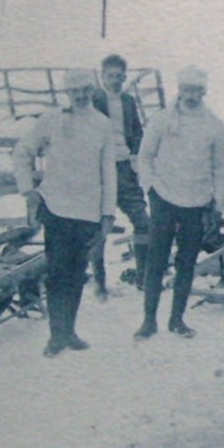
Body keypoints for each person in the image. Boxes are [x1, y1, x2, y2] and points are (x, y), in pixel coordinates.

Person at [14, 69, 117, 357]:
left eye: (86, 90)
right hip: (56, 209)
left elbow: (109, 171)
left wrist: (108, 213)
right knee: (57, 273)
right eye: (75, 91)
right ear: (67, 93)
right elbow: (22, 152)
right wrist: (28, 191)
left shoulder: (103, 124)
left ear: (92, 91)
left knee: (76, 273)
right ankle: (56, 335)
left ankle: (69, 331)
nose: (81, 96)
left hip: (88, 213)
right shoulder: (51, 118)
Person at [136, 66, 224, 340]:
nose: (192, 95)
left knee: (186, 263)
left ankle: (177, 319)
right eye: (187, 89)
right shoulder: (162, 119)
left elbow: (219, 168)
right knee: (156, 260)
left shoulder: (213, 124)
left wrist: (218, 203)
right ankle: (149, 320)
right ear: (180, 89)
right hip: (164, 198)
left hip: (196, 202)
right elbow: (144, 157)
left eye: (197, 90)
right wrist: (151, 188)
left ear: (204, 92)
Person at [92, 54, 150, 291]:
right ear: (102, 76)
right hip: (100, 170)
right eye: (110, 76)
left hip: (125, 168)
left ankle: (143, 278)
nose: (114, 80)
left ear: (124, 77)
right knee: (98, 224)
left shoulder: (128, 100)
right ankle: (99, 280)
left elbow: (137, 131)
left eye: (119, 76)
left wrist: (136, 154)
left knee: (143, 221)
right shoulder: (93, 99)